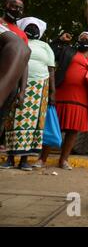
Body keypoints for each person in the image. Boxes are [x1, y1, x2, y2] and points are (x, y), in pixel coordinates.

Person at [35, 31, 88, 170]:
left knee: (73, 131)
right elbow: (50, 53)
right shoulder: (67, 51)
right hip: (61, 96)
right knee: (53, 127)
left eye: (87, 37)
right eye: (81, 37)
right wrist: (59, 40)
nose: (83, 39)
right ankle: (42, 159)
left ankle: (64, 160)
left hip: (81, 100)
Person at [1, 17, 55, 171]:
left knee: (34, 125)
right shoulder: (17, 40)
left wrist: (52, 92)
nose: (33, 30)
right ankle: (10, 158)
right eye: (30, 27)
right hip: (17, 84)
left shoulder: (45, 46)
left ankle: (24, 160)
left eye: (36, 28)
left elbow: (51, 70)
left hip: (40, 89)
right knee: (13, 121)